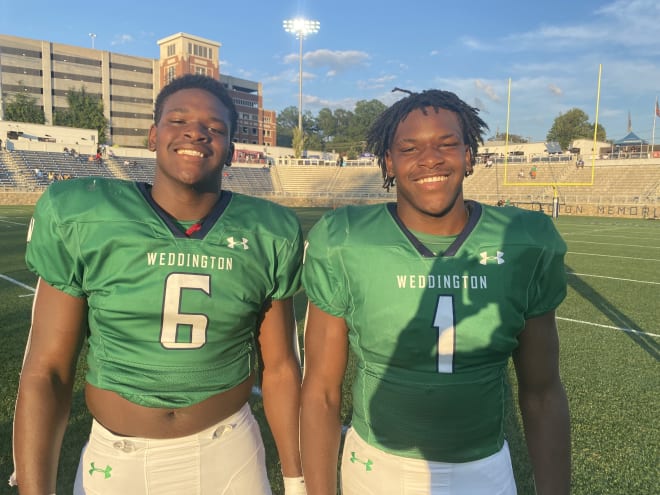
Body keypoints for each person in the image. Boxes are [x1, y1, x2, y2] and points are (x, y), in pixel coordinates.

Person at [11, 74, 306, 495]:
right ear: (153, 136)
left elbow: (279, 369)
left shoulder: (268, 230)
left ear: (232, 151)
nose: (196, 132)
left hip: (230, 452)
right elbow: (47, 372)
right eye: (178, 119)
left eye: (215, 127)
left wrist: (297, 481)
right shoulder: (83, 214)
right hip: (118, 457)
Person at [300, 88, 570, 495]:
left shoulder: (524, 242)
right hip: (376, 467)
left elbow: (543, 392)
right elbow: (321, 390)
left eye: (447, 144)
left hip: (484, 468)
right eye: (410, 148)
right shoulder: (346, 239)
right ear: (388, 161)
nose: (431, 159)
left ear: (469, 154)